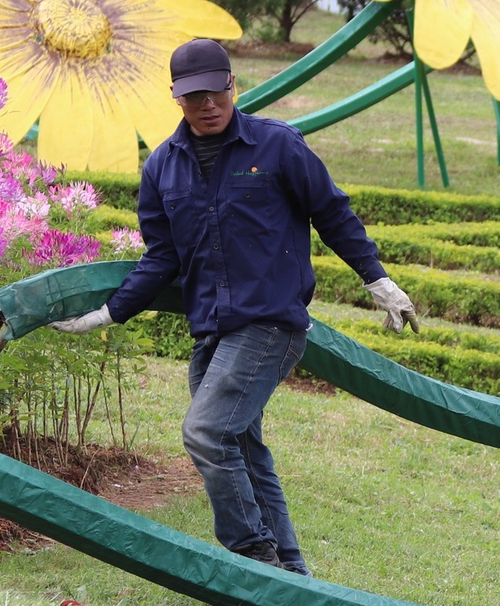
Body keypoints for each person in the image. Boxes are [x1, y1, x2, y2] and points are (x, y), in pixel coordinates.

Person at [49, 39, 419, 575]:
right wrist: (110, 312)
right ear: (177, 98)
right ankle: (289, 574)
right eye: (194, 96)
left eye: (216, 91)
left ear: (232, 86)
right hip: (213, 331)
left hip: (270, 322)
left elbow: (332, 213)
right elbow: (161, 259)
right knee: (241, 445)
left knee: (206, 432)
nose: (207, 105)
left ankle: (251, 556)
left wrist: (378, 281)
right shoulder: (162, 169)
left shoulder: (278, 147)